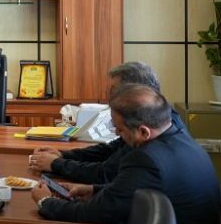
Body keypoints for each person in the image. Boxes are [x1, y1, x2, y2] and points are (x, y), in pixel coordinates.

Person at [31, 84, 220, 224]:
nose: (116, 133)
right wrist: (93, 190)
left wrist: (46, 201)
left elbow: (96, 213)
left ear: (143, 132)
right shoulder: (182, 139)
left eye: (119, 129)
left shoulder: (146, 158)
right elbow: (140, 188)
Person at [28, 61, 185, 184]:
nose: (109, 97)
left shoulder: (153, 127)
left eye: (114, 92)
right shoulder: (157, 116)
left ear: (135, 93)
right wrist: (63, 155)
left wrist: (56, 164)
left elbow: (105, 174)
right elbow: (111, 150)